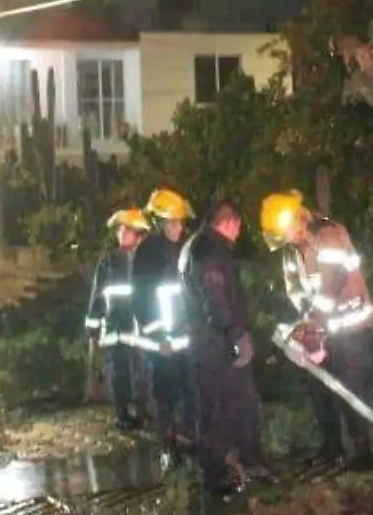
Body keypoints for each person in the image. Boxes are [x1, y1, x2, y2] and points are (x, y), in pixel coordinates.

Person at [262, 190, 373, 471]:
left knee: (350, 390)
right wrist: (306, 326)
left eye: (285, 234)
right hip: (324, 330)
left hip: (352, 326)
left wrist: (314, 322)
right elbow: (296, 291)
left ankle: (363, 454)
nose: (286, 241)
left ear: (295, 221)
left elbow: (333, 282)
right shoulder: (291, 253)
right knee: (319, 390)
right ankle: (331, 449)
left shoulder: (328, 234)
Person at [179, 199, 270, 494]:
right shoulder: (210, 251)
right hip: (217, 346)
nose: (238, 235)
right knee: (237, 405)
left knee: (213, 408)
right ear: (229, 223)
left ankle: (223, 468)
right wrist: (238, 335)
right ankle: (234, 469)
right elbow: (217, 300)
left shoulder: (194, 246)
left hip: (202, 345)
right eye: (238, 228)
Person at [133, 187, 195, 449]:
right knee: (165, 391)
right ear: (159, 222)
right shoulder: (147, 252)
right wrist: (159, 337)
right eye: (172, 222)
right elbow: (143, 300)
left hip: (186, 335)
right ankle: (168, 439)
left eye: (180, 221)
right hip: (163, 341)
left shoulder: (185, 246)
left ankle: (189, 434)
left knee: (188, 387)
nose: (178, 227)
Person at [86, 208, 151, 430]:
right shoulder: (108, 261)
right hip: (115, 330)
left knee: (142, 375)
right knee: (119, 375)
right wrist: (92, 329)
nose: (122, 234)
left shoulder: (146, 262)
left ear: (139, 234)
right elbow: (97, 296)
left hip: (138, 331)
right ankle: (122, 416)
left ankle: (142, 413)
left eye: (127, 230)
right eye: (121, 230)